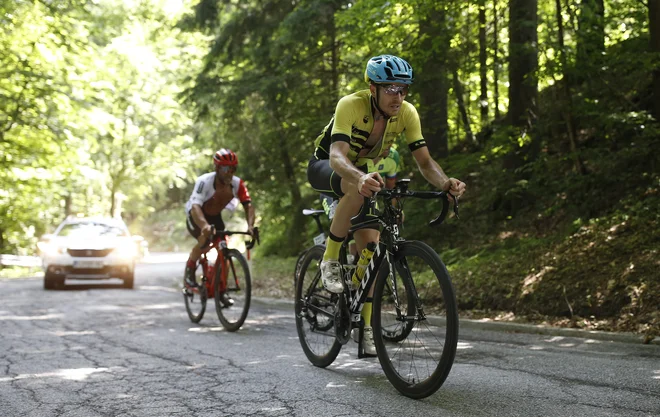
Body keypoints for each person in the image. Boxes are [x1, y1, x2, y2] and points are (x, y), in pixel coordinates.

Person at [306, 54, 466, 355]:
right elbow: (338, 156)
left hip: (363, 170)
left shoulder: (406, 113)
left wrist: (446, 183)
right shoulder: (350, 105)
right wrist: (359, 177)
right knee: (357, 186)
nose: (399, 95)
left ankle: (366, 328)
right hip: (327, 166)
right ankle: (329, 259)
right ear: (373, 87)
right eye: (391, 88)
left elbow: (425, 162)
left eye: (404, 89)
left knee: (371, 249)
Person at [184, 149, 256, 295]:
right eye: (225, 168)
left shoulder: (237, 184)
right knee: (204, 241)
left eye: (233, 169)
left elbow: (248, 205)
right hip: (196, 215)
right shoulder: (204, 181)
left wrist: (250, 226)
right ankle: (190, 270)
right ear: (217, 168)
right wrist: (204, 226)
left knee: (224, 248)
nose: (229, 172)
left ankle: (221, 290)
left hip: (215, 216)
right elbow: (195, 206)